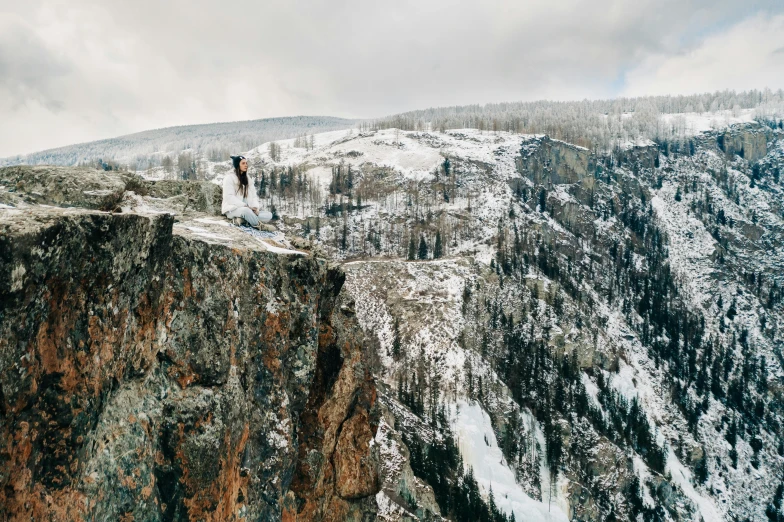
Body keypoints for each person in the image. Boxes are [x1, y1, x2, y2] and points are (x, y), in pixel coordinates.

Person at [222, 155, 273, 228]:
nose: (246, 165)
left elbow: (254, 196)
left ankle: (242, 220)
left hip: (248, 210)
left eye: (246, 163)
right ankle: (259, 225)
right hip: (232, 209)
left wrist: (255, 208)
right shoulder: (229, 178)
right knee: (246, 211)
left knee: (269, 215)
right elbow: (229, 197)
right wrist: (245, 206)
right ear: (237, 165)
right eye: (243, 163)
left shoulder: (248, 180)